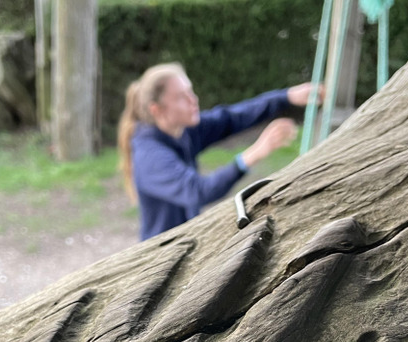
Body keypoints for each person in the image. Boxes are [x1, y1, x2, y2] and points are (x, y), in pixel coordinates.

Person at [118, 62, 321, 241]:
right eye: (181, 97)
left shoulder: (181, 130)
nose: (193, 100)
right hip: (157, 257)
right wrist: (255, 153)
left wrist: (286, 97)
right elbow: (199, 191)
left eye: (190, 91)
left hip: (184, 242)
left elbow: (232, 118)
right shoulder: (150, 156)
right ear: (157, 110)